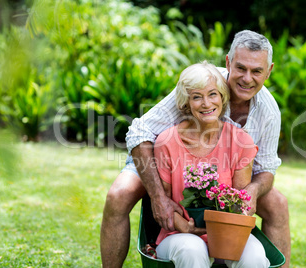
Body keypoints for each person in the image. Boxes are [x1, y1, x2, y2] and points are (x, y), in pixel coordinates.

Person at [101, 30, 291, 268]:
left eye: (257, 71)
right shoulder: (200, 83)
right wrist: (158, 196)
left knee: (277, 204)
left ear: (269, 71)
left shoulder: (268, 111)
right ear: (228, 62)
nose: (247, 78)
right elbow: (140, 133)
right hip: (166, 156)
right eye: (241, 68)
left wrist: (252, 190)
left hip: (228, 170)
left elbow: (266, 168)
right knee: (118, 195)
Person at [153, 61, 269, 267]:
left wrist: (219, 230)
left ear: (222, 97)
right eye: (197, 97)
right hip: (179, 233)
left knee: (255, 257)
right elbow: (165, 202)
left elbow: (239, 203)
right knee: (192, 250)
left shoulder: (240, 141)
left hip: (227, 230)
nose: (206, 103)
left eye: (213, 94)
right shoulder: (166, 142)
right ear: (186, 103)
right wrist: (186, 227)